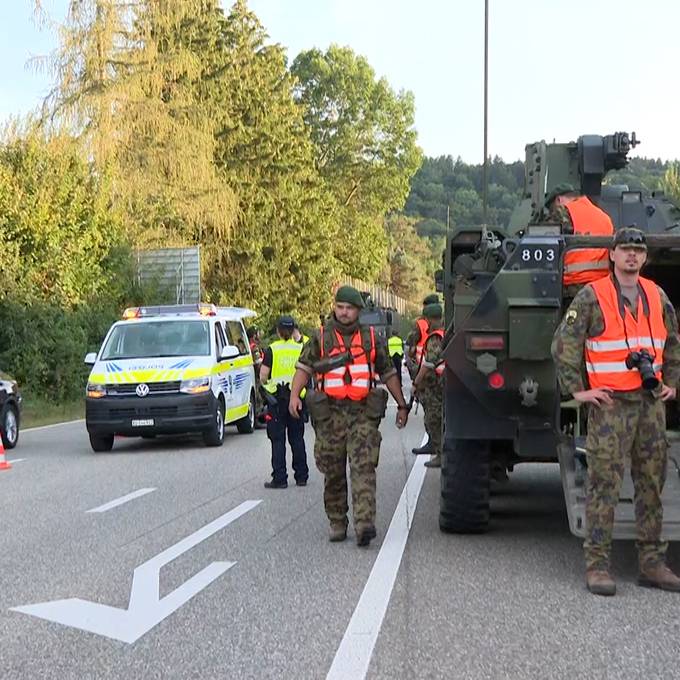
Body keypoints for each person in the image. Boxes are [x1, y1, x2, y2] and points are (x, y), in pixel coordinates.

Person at [551, 227, 680, 596]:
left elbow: (673, 341)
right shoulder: (593, 296)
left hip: (650, 406)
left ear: (645, 258)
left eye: (638, 251)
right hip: (610, 407)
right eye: (625, 249)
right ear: (612, 254)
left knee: (651, 485)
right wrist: (578, 390)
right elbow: (564, 343)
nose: (632, 256)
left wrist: (671, 381)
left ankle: (652, 564)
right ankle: (598, 565)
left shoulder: (656, 295)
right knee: (603, 487)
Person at [288, 285, 409, 546]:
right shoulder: (320, 336)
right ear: (334, 307)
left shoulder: (372, 339)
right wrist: (294, 396)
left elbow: (388, 373)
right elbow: (304, 368)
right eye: (340, 307)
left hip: (362, 414)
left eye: (350, 309)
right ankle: (337, 521)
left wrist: (401, 405)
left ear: (358, 311)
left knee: (363, 467)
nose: (344, 313)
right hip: (329, 415)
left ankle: (365, 523)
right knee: (332, 471)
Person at [260, 316, 309, 489]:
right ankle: (301, 476)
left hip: (277, 401)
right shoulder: (300, 349)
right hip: (297, 399)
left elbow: (263, 376)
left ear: (279, 331)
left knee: (277, 440)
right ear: (294, 329)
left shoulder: (272, 350)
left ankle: (280, 478)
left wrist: (267, 389)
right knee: (297, 438)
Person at [544, 183, 614, 297]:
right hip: (603, 286)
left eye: (552, 207)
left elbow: (543, 239)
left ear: (558, 200)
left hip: (574, 286)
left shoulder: (562, 213)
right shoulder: (604, 217)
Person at [406, 293, 440, 455]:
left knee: (432, 414)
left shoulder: (421, 325)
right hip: (439, 377)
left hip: (428, 376)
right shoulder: (448, 325)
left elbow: (412, 349)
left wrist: (415, 379)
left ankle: (436, 447)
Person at [412, 304, 445, 468]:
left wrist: (416, 382)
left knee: (434, 419)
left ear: (430, 319)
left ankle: (441, 454)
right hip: (442, 384)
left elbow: (429, 363)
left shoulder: (435, 338)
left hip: (436, 386)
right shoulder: (445, 332)